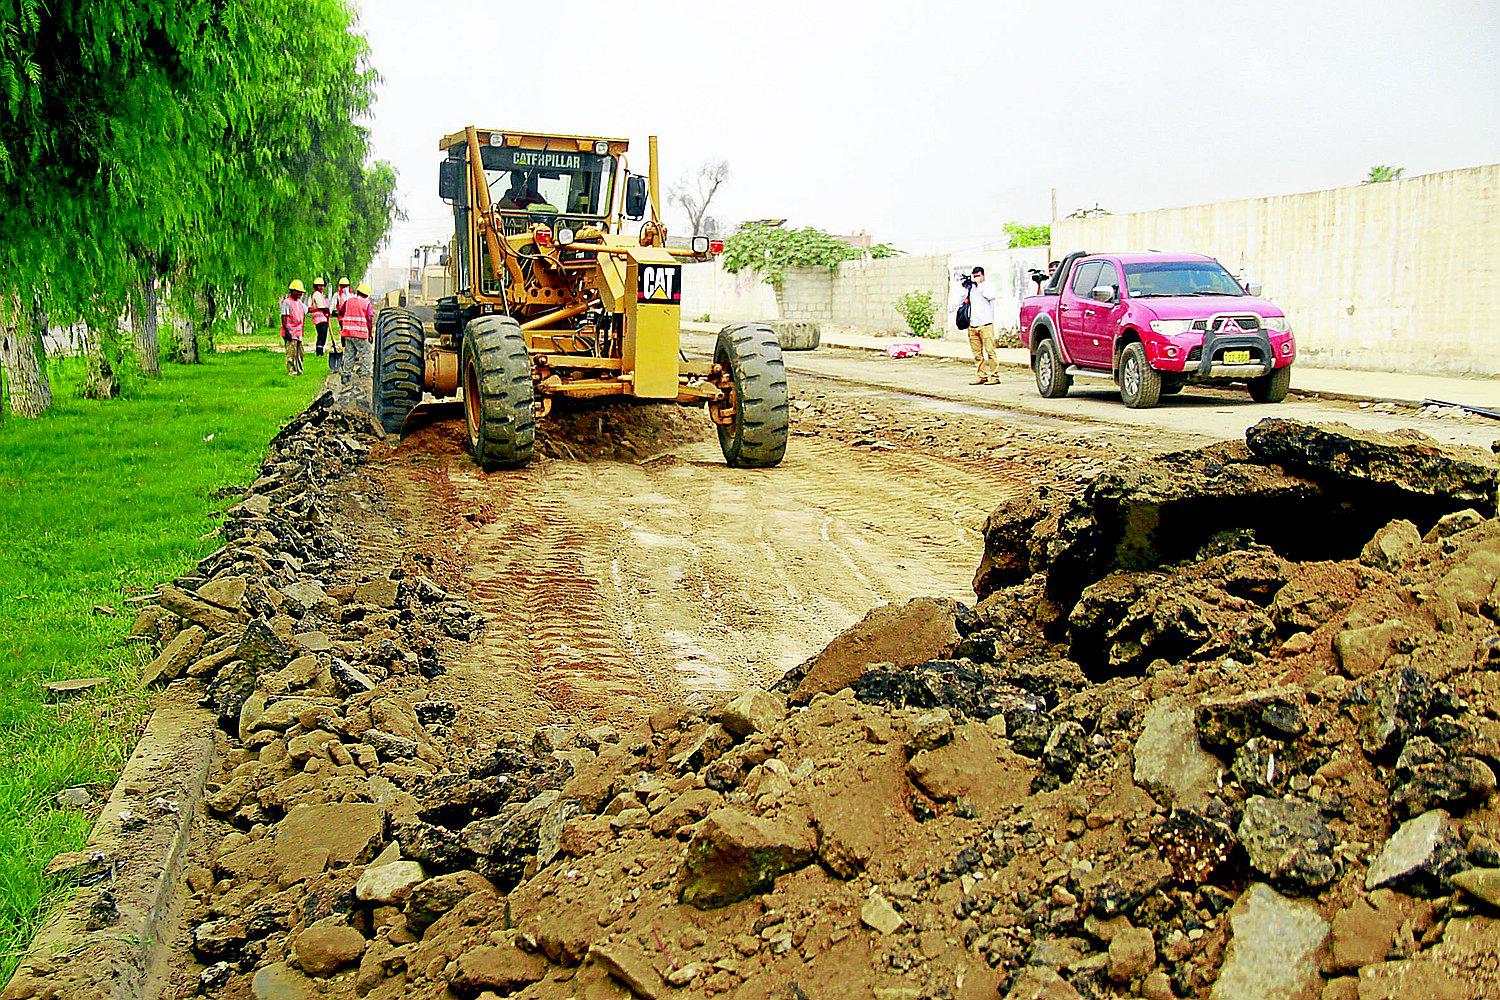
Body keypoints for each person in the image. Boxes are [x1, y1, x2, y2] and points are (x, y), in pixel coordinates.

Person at [964, 266, 999, 384]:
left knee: (990, 352)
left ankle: (994, 376)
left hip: (986, 324)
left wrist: (979, 285)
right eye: (974, 276)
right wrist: (966, 286)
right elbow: (961, 300)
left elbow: (990, 295)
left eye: (978, 275)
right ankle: (982, 375)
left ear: (983, 275)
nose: (976, 278)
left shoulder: (989, 286)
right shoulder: (971, 288)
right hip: (973, 324)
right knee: (977, 354)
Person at [338, 282, 375, 385]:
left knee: (349, 354)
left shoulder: (348, 301)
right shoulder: (366, 303)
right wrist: (370, 334)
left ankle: (346, 375)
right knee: (366, 353)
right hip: (360, 334)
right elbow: (369, 320)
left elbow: (340, 312)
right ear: (367, 294)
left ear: (358, 291)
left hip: (348, 333)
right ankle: (365, 374)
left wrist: (343, 324)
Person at [279, 279, 307, 376]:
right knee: (291, 353)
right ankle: (291, 371)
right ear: (293, 291)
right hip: (290, 331)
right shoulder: (287, 302)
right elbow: (284, 316)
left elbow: (306, 311)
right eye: (298, 292)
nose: (300, 294)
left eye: (301, 292)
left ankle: (299, 370)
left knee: (300, 352)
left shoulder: (299, 302)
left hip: (298, 332)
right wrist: (286, 330)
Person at [307, 277, 332, 355]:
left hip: (323, 318)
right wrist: (327, 310)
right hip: (320, 318)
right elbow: (321, 306)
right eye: (319, 286)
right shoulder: (317, 294)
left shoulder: (321, 295)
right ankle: (319, 351)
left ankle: (320, 350)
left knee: (322, 335)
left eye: (322, 286)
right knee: (322, 335)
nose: (321, 287)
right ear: (316, 286)